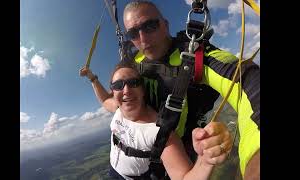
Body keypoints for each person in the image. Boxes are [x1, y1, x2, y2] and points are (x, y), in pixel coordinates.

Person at [80, 1, 260, 179]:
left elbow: (246, 81)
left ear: (165, 25)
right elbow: (108, 101)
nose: (142, 38)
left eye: (150, 25)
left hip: (173, 152)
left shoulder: (193, 58)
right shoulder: (133, 60)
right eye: (133, 33)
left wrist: (255, 157)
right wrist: (93, 79)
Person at [107, 61, 232, 179]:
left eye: (133, 83)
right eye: (118, 85)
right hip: (113, 170)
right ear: (113, 92)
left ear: (142, 90)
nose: (126, 90)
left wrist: (204, 162)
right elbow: (104, 100)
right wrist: (93, 79)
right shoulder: (118, 108)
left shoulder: (160, 133)